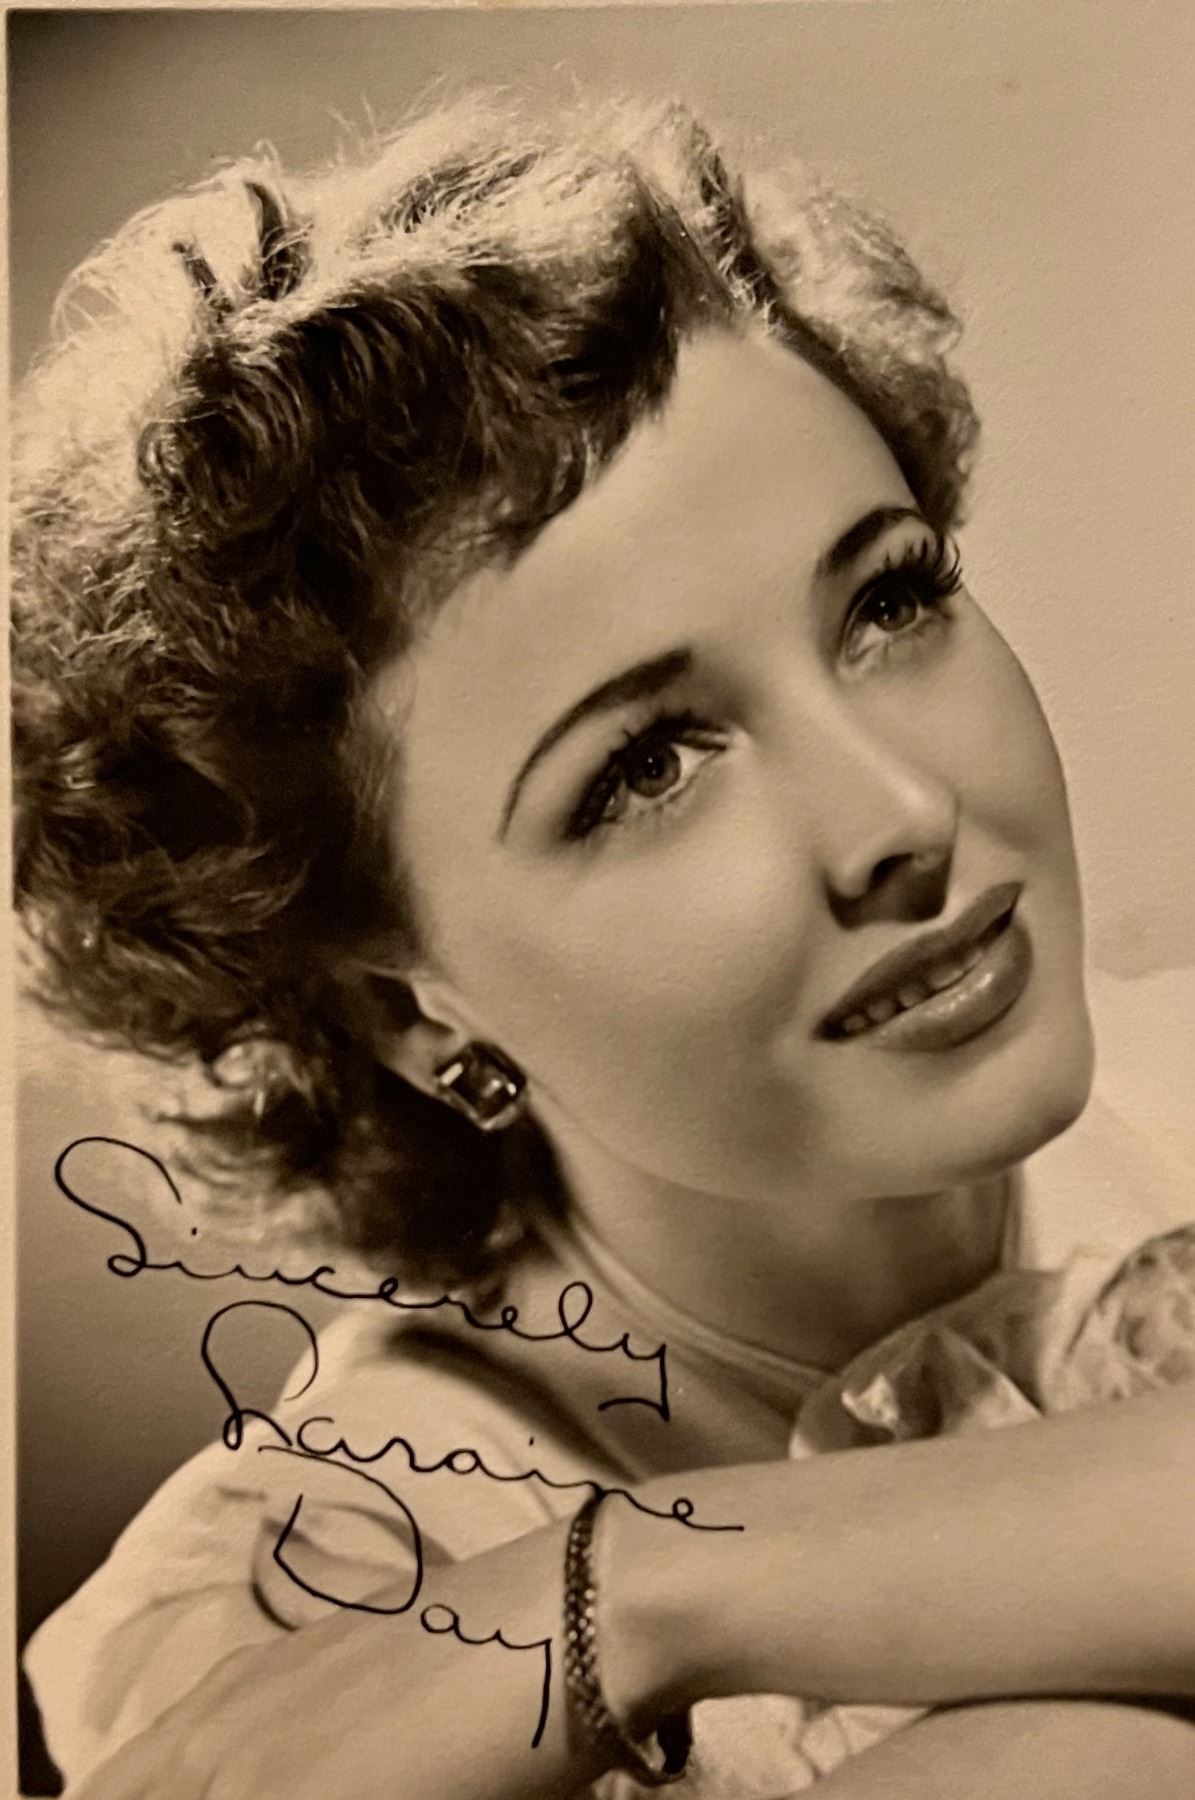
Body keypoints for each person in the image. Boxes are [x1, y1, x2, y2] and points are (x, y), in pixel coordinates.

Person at [12, 93, 1195, 1800]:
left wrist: (641, 1586)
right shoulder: (286, 1623)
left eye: (889, 602)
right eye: (645, 768)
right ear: (400, 1008)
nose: (902, 811)